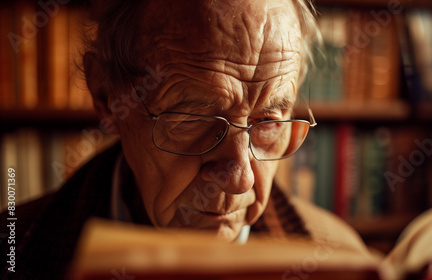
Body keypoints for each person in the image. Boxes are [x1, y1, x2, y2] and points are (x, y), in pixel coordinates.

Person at [1, 0, 370, 279]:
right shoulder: (14, 251)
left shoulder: (339, 258)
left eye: (269, 122)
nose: (241, 177)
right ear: (107, 96)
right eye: (195, 118)